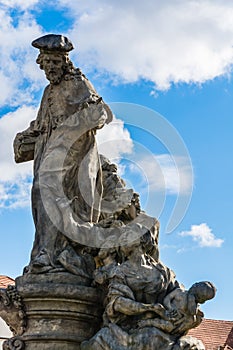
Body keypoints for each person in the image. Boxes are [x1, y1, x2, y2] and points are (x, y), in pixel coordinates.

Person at [14, 34, 112, 272]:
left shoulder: (78, 83)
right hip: (47, 155)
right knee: (40, 196)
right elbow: (41, 125)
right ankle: (46, 252)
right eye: (46, 65)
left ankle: (51, 255)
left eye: (54, 64)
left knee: (55, 197)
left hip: (72, 157)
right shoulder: (49, 90)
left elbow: (100, 114)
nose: (50, 70)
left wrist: (72, 130)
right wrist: (25, 137)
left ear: (63, 61)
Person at [138, 281, 216, 336]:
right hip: (167, 312)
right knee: (157, 307)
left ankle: (149, 322)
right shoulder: (179, 292)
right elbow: (167, 299)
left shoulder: (193, 305)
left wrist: (191, 301)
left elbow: (192, 314)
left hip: (174, 321)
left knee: (168, 326)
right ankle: (144, 318)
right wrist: (170, 308)